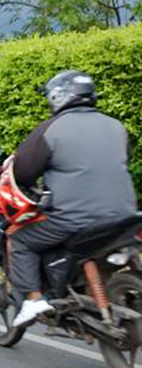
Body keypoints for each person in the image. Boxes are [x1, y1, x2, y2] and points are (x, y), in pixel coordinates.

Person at [8, 70, 139, 327]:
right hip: (125, 216)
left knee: (19, 239)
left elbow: (22, 172)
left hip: (74, 219)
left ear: (58, 96)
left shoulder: (51, 129)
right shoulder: (116, 126)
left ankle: (34, 300)